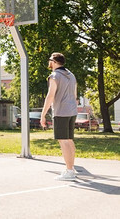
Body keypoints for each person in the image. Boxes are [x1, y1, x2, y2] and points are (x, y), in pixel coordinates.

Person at [41, 52, 78, 181]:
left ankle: (69, 171)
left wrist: (43, 114)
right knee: (69, 139)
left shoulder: (55, 76)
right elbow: (75, 94)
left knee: (64, 141)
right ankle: (71, 167)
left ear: (54, 62)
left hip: (61, 111)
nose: (48, 62)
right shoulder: (71, 75)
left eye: (50, 59)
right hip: (72, 111)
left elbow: (50, 96)